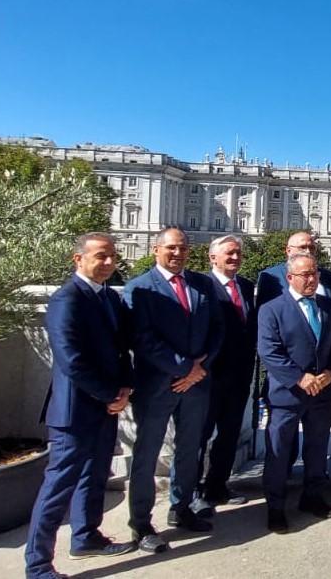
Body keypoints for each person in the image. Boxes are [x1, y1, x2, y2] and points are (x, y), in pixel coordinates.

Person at [24, 233, 135, 579]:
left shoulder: (108, 299)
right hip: (75, 411)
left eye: (113, 257)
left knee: (96, 475)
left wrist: (125, 387)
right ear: (78, 259)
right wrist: (110, 394)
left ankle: (86, 537)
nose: (108, 263)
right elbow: (72, 360)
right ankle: (38, 564)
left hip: (106, 406)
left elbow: (122, 349)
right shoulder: (66, 300)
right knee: (58, 487)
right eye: (101, 256)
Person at [123, 227, 223, 553]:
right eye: (171, 248)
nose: (177, 253)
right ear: (156, 250)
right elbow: (143, 340)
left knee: (190, 448)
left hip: (196, 383)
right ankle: (140, 524)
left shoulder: (203, 283)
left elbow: (217, 330)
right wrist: (184, 368)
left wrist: (198, 370)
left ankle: (181, 508)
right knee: (147, 454)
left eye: (182, 248)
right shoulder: (139, 288)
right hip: (157, 385)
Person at [257, 253, 331, 533]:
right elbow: (269, 351)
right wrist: (299, 378)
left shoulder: (329, 306)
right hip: (287, 395)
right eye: (304, 275)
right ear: (290, 278)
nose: (310, 279)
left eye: (314, 274)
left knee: (317, 448)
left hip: (322, 393)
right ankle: (275, 507)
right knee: (279, 452)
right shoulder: (272, 309)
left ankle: (312, 497)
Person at [191, 235, 256, 517]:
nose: (234, 258)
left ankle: (218, 485)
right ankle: (192, 492)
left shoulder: (246, 285)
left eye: (238, 253)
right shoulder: (200, 286)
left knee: (229, 434)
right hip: (208, 375)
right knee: (199, 436)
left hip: (239, 374)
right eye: (229, 253)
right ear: (212, 257)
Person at [255, 230, 331, 307]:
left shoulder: (330, 278)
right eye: (302, 247)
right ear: (289, 251)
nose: (308, 251)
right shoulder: (270, 277)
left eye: (311, 247)